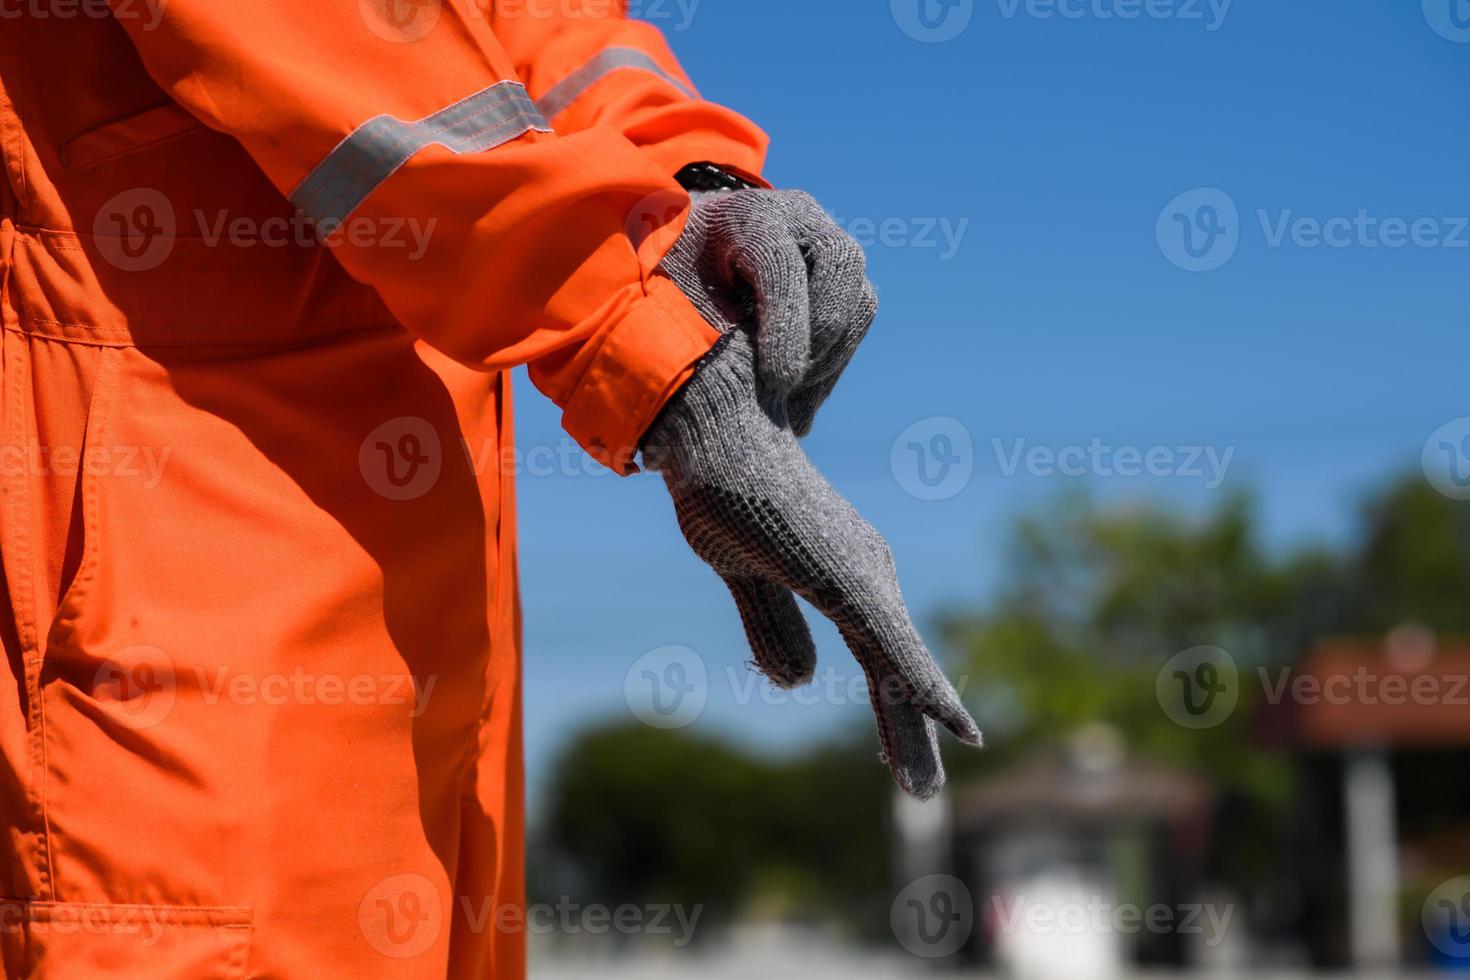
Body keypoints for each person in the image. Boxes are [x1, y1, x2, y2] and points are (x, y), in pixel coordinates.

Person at [0, 1, 978, 975]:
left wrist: (688, 186)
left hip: (425, 643)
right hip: (172, 567)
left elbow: (538, 23)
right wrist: (640, 330)